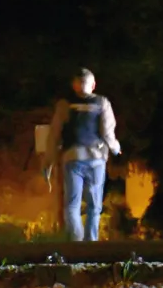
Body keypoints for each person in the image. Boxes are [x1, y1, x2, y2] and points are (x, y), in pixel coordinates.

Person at [42, 68, 121, 241]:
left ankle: (76, 242)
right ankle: (91, 242)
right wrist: (115, 148)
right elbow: (108, 133)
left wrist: (48, 161)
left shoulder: (64, 104)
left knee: (72, 204)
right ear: (93, 85)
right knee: (94, 205)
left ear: (74, 85)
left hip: (72, 157)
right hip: (96, 159)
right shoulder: (102, 103)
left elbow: (54, 134)